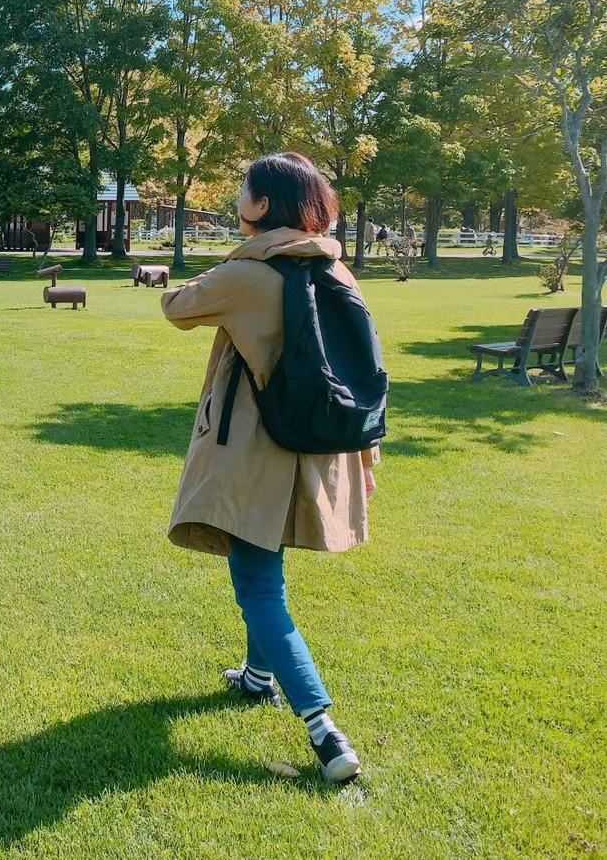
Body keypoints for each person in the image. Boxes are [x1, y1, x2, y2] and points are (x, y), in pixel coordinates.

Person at [159, 152, 378, 785]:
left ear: (262, 206)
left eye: (243, 190)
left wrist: (228, 262)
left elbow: (175, 306)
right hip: (317, 450)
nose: (237, 196)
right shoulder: (337, 269)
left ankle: (324, 730)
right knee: (264, 562)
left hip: (257, 452)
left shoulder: (250, 273)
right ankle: (258, 679)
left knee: (258, 587)